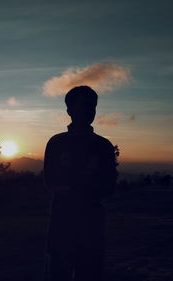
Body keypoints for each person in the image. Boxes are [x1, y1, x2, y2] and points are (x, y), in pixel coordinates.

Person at [43, 86, 118, 281]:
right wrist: (87, 188)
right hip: (62, 223)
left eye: (92, 106)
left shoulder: (103, 146)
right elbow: (50, 181)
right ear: (69, 110)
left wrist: (74, 187)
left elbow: (109, 185)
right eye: (83, 106)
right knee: (59, 273)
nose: (88, 111)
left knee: (91, 273)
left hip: (91, 225)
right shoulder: (56, 143)